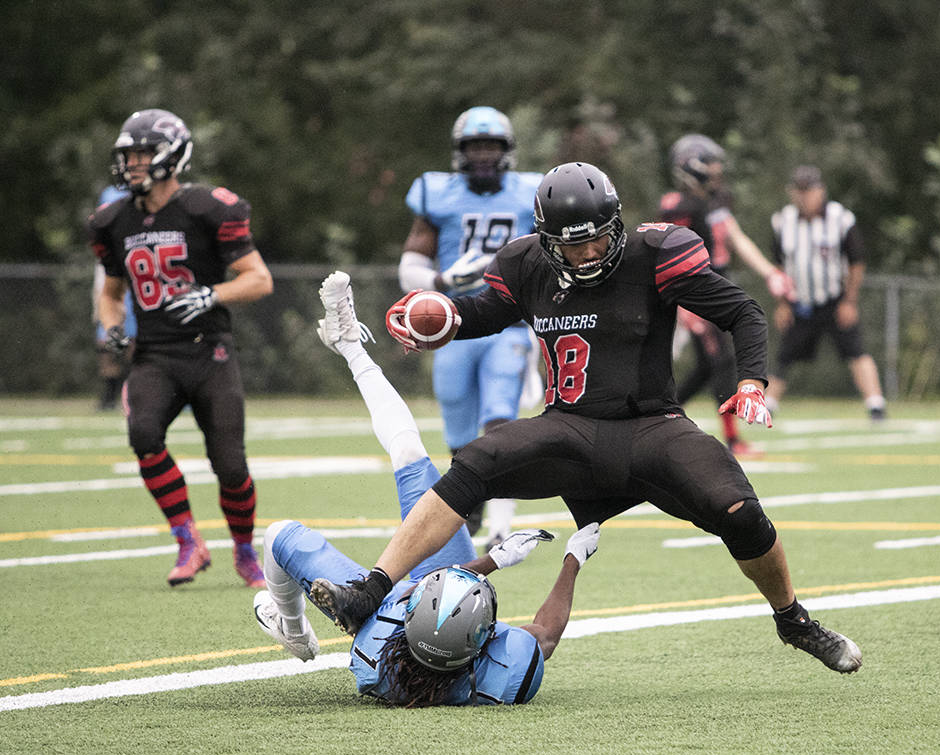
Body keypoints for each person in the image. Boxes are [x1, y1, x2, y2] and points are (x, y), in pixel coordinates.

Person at [312, 162, 863, 675]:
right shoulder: (527, 265)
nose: (590, 252)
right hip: (569, 426)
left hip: (653, 425)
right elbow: (486, 312)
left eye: (599, 236)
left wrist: (750, 381)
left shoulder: (656, 252)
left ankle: (794, 621)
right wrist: (445, 317)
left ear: (616, 223)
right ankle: (371, 588)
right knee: (475, 460)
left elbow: (741, 311)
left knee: (739, 512)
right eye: (572, 245)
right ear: (548, 241)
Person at [250, 270, 601, 707]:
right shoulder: (498, 677)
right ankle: (349, 346)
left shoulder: (379, 641)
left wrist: (513, 561)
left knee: (281, 533)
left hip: (378, 613)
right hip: (409, 617)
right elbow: (544, 634)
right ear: (480, 645)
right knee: (409, 454)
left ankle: (292, 629)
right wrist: (570, 558)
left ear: (409, 611)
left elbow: (422, 593)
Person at [89, 108, 273, 588]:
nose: (133, 164)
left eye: (143, 154)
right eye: (128, 156)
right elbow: (110, 293)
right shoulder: (112, 220)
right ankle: (187, 540)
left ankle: (245, 552)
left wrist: (212, 294)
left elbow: (259, 280)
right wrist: (111, 327)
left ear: (172, 156)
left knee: (230, 465)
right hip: (154, 353)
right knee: (143, 433)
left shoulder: (208, 207)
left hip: (209, 350)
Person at [396, 106, 544, 547]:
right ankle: (472, 495)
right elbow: (410, 266)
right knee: (459, 427)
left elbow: (552, 255)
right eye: (475, 147)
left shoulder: (531, 195)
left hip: (510, 322)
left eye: (491, 147)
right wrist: (442, 282)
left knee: (499, 416)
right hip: (455, 321)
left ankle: (501, 523)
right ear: (460, 152)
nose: (483, 156)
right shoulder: (437, 195)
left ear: (507, 151)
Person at [659, 134, 795, 456]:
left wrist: (771, 273)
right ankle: (732, 439)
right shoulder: (678, 206)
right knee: (721, 361)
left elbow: (737, 238)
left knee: (709, 366)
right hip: (691, 290)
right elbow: (665, 256)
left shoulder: (716, 201)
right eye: (710, 164)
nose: (717, 171)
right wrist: (682, 302)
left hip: (716, 284)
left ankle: (663, 416)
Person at [764, 166, 887, 421]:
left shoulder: (840, 218)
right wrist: (783, 303)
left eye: (808, 191)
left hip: (834, 300)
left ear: (821, 191)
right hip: (800, 302)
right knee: (785, 355)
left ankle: (876, 405)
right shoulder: (782, 221)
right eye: (799, 191)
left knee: (856, 350)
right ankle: (766, 406)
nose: (804, 197)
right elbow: (778, 266)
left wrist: (850, 300)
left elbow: (856, 262)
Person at [91, 185, 135, 411]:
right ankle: (109, 397)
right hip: (111, 281)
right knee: (106, 343)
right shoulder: (109, 195)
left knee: (135, 345)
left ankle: (136, 391)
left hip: (135, 284)